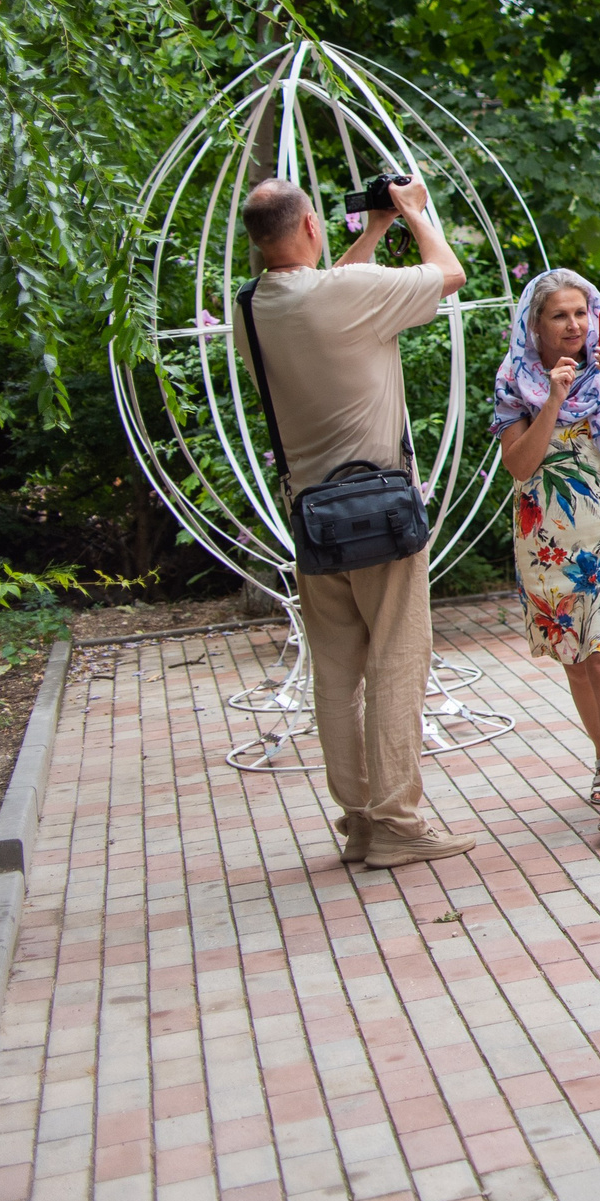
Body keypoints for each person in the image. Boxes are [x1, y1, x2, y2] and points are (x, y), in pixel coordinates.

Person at [235, 177, 476, 870]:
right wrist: (412, 212)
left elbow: (324, 289)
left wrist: (369, 234)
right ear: (311, 225)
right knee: (399, 654)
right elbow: (448, 273)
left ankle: (360, 821)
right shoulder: (341, 295)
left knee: (337, 668)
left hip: (313, 515)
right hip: (379, 507)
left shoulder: (253, 305)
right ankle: (399, 818)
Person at [492, 270, 600, 836]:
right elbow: (520, 465)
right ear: (534, 324)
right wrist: (554, 400)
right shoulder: (515, 379)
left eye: (582, 313)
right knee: (579, 660)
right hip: (547, 538)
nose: (575, 325)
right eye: (560, 315)